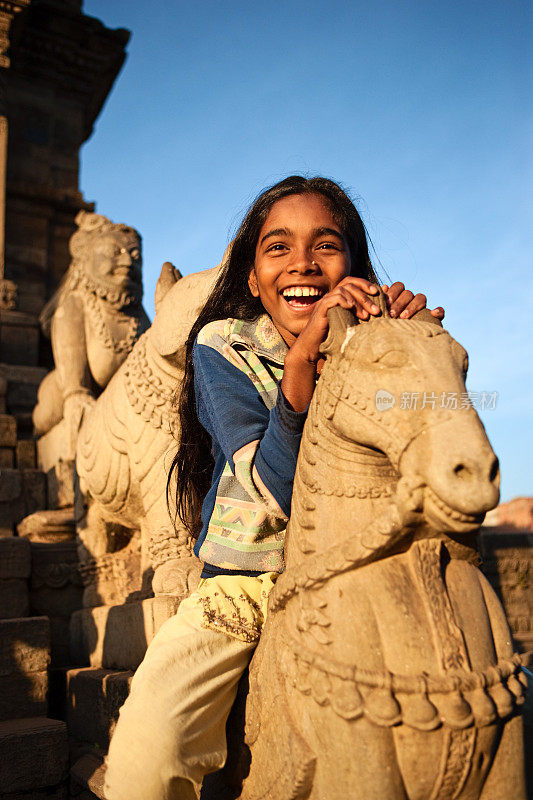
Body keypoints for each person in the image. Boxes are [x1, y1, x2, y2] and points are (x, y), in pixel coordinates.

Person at [104, 176, 444, 800]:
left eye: (327, 245)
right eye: (278, 247)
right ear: (254, 277)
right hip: (247, 580)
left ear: (355, 268)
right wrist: (298, 368)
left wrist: (412, 347)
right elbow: (271, 486)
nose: (303, 264)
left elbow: (430, 453)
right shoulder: (222, 346)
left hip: (357, 567)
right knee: (146, 756)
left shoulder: (373, 338)